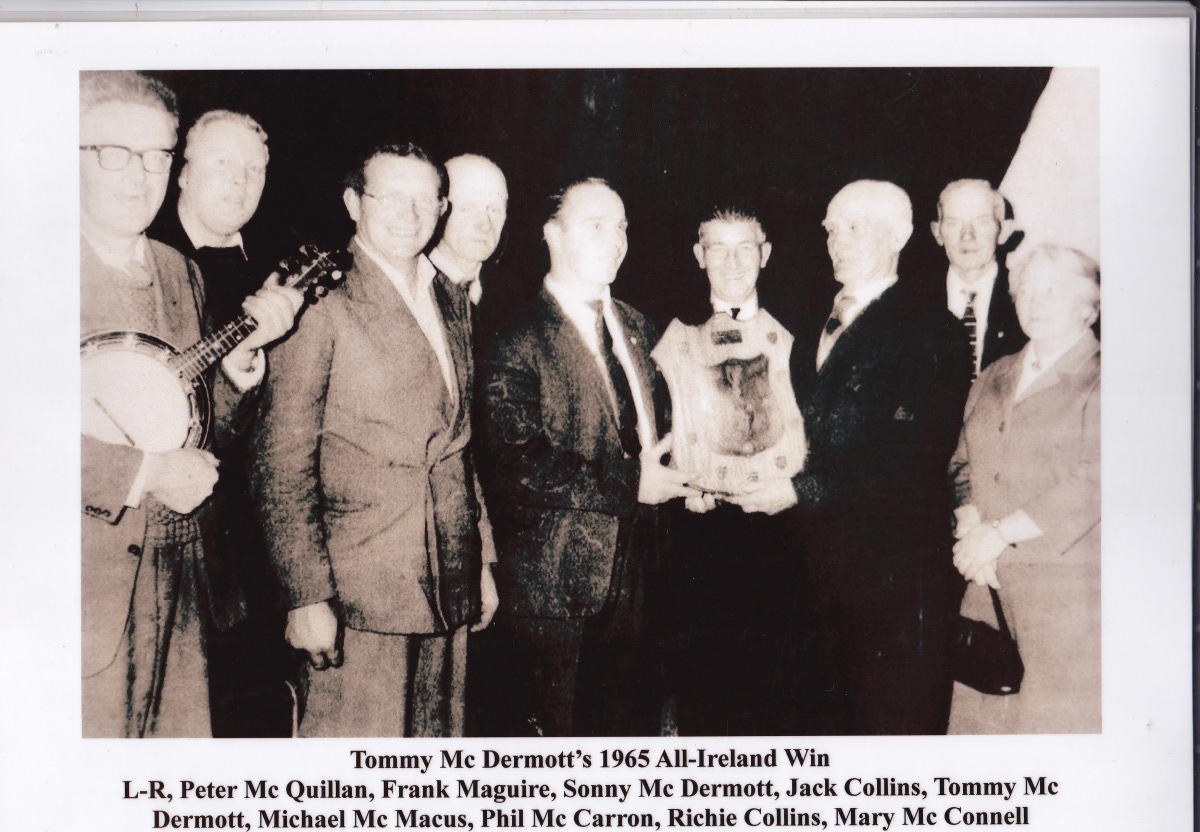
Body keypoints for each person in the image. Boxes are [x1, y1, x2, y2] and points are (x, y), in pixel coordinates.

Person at [80, 71, 302, 737]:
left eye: (155, 155)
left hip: (184, 598)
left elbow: (202, 428)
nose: (138, 175)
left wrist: (236, 371)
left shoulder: (181, 274)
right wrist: (143, 474)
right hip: (77, 598)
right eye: (113, 153)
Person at [251, 143, 497, 737]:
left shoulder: (451, 300)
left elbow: (459, 450)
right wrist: (305, 596)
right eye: (390, 197)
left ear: (441, 208)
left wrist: (482, 560)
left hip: (449, 580)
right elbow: (282, 462)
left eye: (424, 200)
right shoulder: (319, 301)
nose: (408, 214)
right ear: (353, 203)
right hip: (357, 594)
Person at [734, 180, 971, 735]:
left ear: (901, 236)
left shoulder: (931, 329)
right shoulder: (804, 323)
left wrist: (798, 490)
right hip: (811, 580)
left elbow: (911, 456)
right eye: (831, 230)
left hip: (892, 585)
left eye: (854, 228)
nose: (836, 243)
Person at [476, 178, 697, 736]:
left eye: (621, 227)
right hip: (561, 594)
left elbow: (664, 435)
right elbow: (515, 463)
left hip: (647, 576)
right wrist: (631, 483)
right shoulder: (515, 339)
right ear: (552, 234)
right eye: (595, 225)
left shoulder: (640, 327)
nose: (615, 240)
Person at [149, 108, 294, 738]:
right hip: (161, 553)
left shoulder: (276, 283)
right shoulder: (144, 261)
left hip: (252, 564)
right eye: (223, 163)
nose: (241, 181)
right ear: (182, 173)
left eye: (254, 169)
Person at [652, 207, 812, 735]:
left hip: (787, 532)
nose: (732, 261)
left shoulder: (800, 334)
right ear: (699, 256)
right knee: (710, 698)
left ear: (765, 254)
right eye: (717, 248)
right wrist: (681, 479)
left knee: (784, 696)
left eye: (745, 247)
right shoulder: (670, 338)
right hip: (703, 535)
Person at [947, 243, 1101, 734]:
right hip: (987, 584)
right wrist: (971, 527)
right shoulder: (995, 373)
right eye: (1026, 291)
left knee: (1050, 734)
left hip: (1064, 592)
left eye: (1052, 291)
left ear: (1089, 305)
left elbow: (1096, 479)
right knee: (979, 736)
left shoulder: (1103, 378)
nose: (1035, 302)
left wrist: (998, 535)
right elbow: (961, 463)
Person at [930, 179, 1028, 380]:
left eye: (982, 222)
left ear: (1004, 231)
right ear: (937, 232)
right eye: (953, 222)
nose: (967, 235)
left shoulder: (1027, 300)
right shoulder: (910, 303)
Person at [427, 153, 508, 337]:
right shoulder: (414, 286)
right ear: (440, 209)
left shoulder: (514, 296)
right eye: (468, 209)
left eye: (495, 210)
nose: (485, 224)